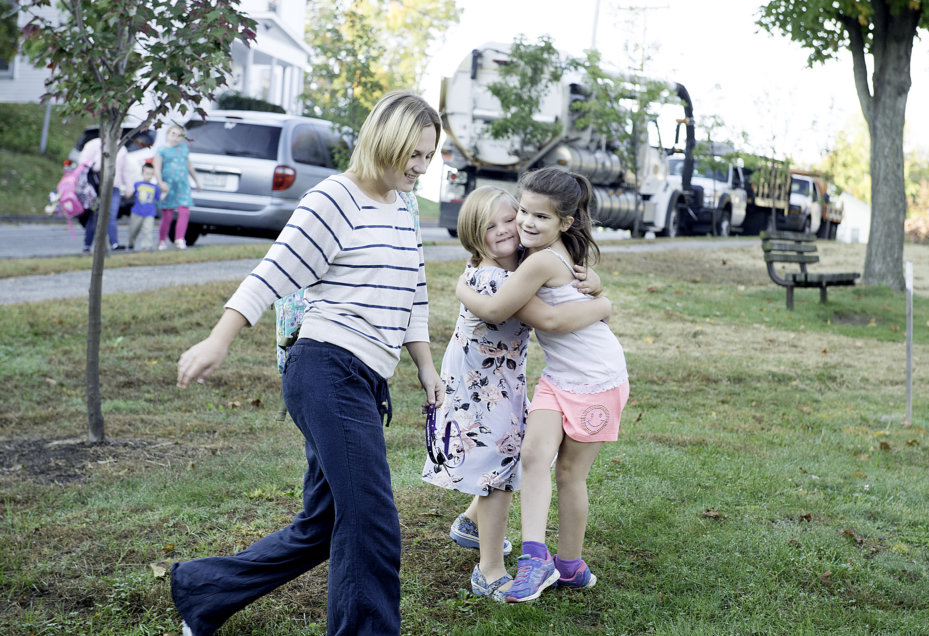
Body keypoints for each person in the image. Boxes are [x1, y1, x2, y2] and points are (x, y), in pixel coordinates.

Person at [172, 90, 445, 636]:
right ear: (383, 142)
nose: (420, 167)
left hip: (365, 378)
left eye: (428, 156)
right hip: (328, 370)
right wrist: (219, 340)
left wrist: (426, 366)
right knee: (370, 521)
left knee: (325, 525)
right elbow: (271, 273)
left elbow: (413, 291)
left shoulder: (404, 206)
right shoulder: (334, 199)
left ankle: (202, 590)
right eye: (412, 154)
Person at [422, 186, 611, 602]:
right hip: (481, 384)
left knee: (506, 458)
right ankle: (489, 569)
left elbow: (563, 273)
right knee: (498, 473)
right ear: (474, 235)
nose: (506, 229)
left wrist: (593, 280)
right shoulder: (496, 280)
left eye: (510, 218)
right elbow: (548, 317)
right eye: (489, 227)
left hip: (500, 379)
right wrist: (603, 306)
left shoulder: (523, 263)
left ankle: (471, 524)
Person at [78, 136, 132, 253]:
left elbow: (126, 169)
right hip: (96, 188)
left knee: (111, 215)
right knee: (94, 216)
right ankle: (87, 245)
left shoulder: (121, 147)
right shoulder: (94, 144)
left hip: (114, 187)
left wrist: (129, 186)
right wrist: (98, 162)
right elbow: (83, 162)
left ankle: (114, 243)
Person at [154, 124, 200, 250]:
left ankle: (179, 239)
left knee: (184, 210)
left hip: (182, 185)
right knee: (167, 214)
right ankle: (162, 240)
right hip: (168, 186)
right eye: (173, 134)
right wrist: (160, 183)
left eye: (179, 135)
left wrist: (196, 181)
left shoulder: (183, 149)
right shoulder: (162, 150)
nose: (175, 138)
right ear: (167, 135)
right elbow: (157, 169)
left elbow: (189, 166)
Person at [127, 161, 162, 250]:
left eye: (151, 174)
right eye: (147, 173)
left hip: (149, 213)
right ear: (142, 173)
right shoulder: (137, 184)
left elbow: (159, 198)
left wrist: (165, 192)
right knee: (133, 230)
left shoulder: (155, 187)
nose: (149, 176)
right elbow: (130, 194)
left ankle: (147, 247)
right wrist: (127, 193)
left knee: (148, 231)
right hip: (137, 212)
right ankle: (131, 243)